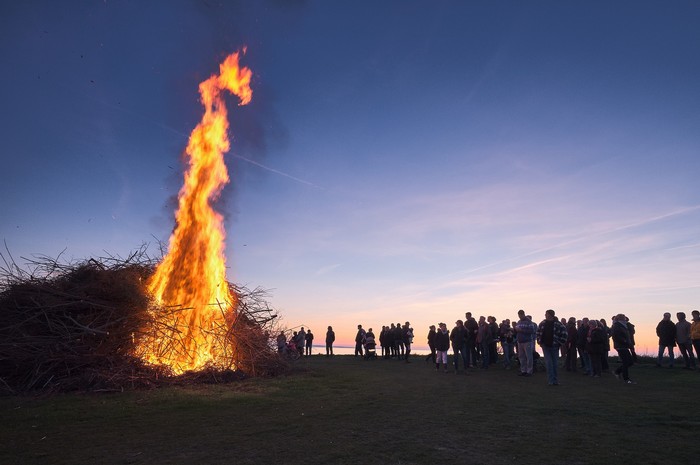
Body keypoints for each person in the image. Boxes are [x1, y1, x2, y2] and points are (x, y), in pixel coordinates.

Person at [536, 309, 568, 385]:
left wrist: (560, 343)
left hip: (554, 346)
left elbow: (565, 334)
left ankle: (555, 380)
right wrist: (539, 341)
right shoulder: (542, 323)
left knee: (555, 363)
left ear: (550, 315)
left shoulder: (558, 324)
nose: (545, 315)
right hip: (545, 346)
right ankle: (551, 381)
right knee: (549, 363)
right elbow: (538, 332)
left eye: (546, 314)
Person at [612, 314, 635, 384]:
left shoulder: (622, 326)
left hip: (624, 346)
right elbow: (617, 336)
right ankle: (626, 379)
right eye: (624, 318)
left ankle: (617, 372)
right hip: (621, 346)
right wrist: (625, 341)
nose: (625, 319)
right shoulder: (617, 326)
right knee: (626, 362)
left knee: (630, 362)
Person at [515, 309, 537, 377]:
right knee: (521, 356)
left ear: (523, 314)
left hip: (527, 341)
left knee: (529, 356)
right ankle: (523, 370)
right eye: (519, 315)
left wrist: (521, 330)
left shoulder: (529, 322)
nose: (519, 317)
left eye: (520, 315)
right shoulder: (519, 322)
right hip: (520, 341)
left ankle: (529, 371)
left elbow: (532, 331)